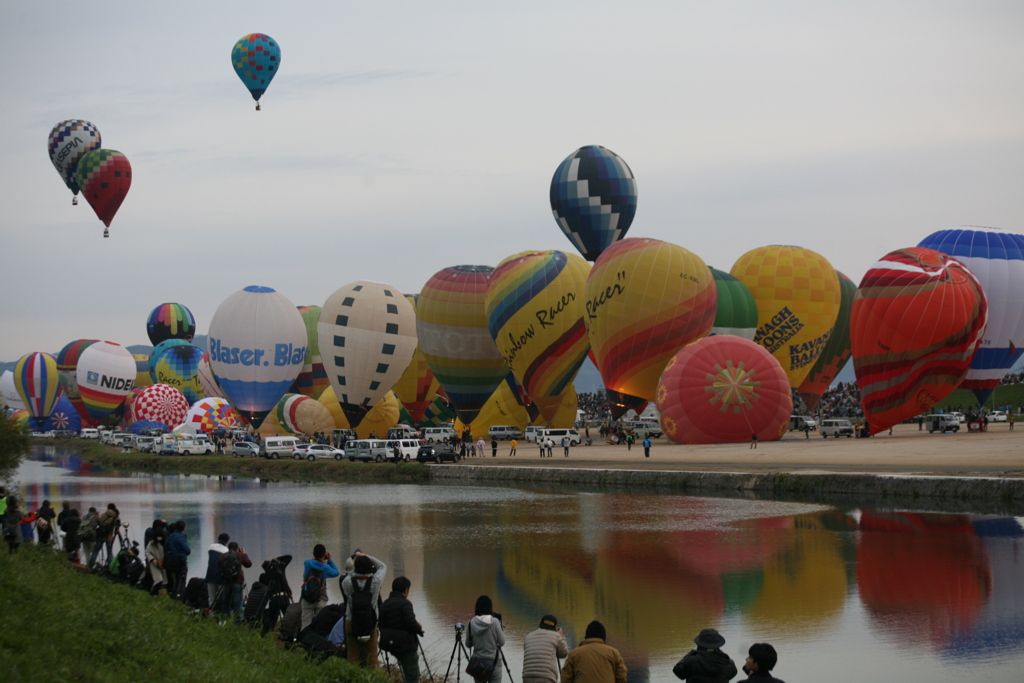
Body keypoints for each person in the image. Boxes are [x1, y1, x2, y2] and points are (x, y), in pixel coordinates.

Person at [342, 551, 388, 667]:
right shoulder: (376, 581)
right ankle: (372, 676)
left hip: (351, 620)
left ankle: (353, 675)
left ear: (355, 567)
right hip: (370, 623)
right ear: (370, 568)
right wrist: (367, 556)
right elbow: (382, 566)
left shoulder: (347, 582)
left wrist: (356, 561)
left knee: (352, 657)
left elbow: (350, 573)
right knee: (372, 659)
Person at [379, 576, 424, 683]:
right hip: (405, 645)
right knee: (412, 677)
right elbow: (411, 623)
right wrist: (419, 628)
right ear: (406, 590)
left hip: (391, 644)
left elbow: (381, 624)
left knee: (409, 673)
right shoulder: (405, 603)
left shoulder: (385, 604)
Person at [561, 620, 627, 683]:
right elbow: (621, 676)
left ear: (587, 636)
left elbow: (566, 678)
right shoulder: (613, 653)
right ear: (603, 637)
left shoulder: (574, 653)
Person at [672, 628, 738, 682]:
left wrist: (692, 652)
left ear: (699, 644)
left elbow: (678, 672)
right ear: (718, 645)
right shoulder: (728, 663)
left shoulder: (690, 661)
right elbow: (732, 674)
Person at [466, 595, 506, 683]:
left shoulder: (471, 623)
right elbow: (502, 642)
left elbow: (468, 644)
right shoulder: (495, 622)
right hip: (494, 663)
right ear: (490, 608)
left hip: (478, 665)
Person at [302, 543, 340, 630]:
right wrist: (329, 560)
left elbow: (311, 562)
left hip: (306, 597)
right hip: (320, 598)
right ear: (324, 554)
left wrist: (322, 559)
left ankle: (303, 637)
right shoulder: (325, 567)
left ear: (313, 553)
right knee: (319, 624)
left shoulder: (307, 563)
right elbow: (336, 572)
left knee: (305, 624)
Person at [522, 614, 568, 683]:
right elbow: (563, 654)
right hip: (546, 677)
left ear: (539, 625)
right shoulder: (556, 636)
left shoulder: (528, 636)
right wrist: (561, 636)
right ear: (555, 628)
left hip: (527, 676)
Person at [218, 541, 252, 621]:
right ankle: (237, 622)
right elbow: (249, 564)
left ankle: (225, 621)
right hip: (237, 581)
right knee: (238, 603)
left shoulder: (223, 556)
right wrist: (244, 554)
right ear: (237, 548)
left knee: (225, 602)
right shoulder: (240, 555)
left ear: (228, 548)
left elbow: (219, 565)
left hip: (226, 582)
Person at [164, 520, 191, 600]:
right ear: (183, 528)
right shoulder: (181, 537)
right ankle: (180, 598)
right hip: (181, 561)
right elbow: (188, 550)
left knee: (176, 580)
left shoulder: (171, 536)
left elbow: (166, 546)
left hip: (173, 561)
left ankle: (174, 596)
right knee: (182, 580)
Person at [205, 532, 231, 607]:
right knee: (221, 598)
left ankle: (211, 612)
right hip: (220, 577)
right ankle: (220, 612)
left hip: (210, 575)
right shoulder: (226, 551)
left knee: (211, 598)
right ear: (227, 541)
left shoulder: (211, 547)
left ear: (218, 539)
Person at [145, 528, 168, 595]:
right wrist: (153, 560)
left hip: (164, 564)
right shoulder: (152, 543)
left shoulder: (166, 542)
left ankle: (159, 593)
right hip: (155, 564)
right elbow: (147, 552)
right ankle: (154, 593)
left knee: (164, 580)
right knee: (158, 579)